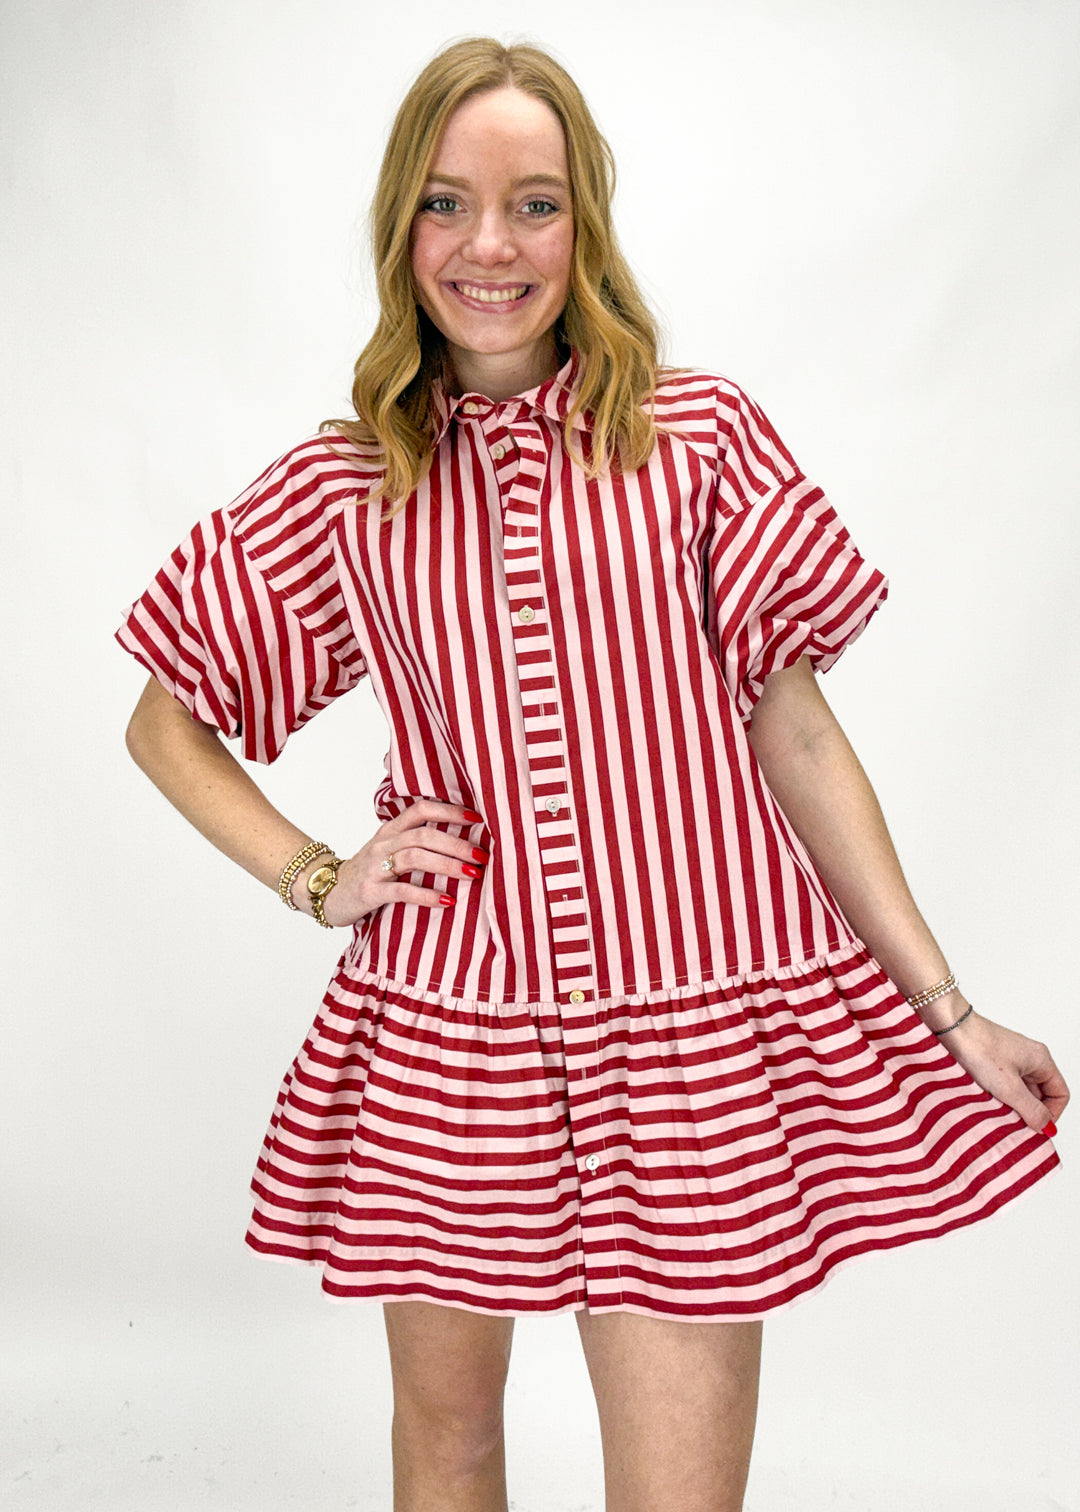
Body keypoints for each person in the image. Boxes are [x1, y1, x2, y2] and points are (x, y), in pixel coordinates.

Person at [117, 35, 1068, 1512]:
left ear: (589, 223)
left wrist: (948, 1009)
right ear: (398, 226)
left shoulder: (699, 442)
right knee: (452, 1443)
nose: (489, 246)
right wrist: (322, 874)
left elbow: (797, 731)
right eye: (445, 204)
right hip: (448, 1031)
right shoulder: (345, 482)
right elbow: (164, 718)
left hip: (693, 1038)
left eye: (535, 204)